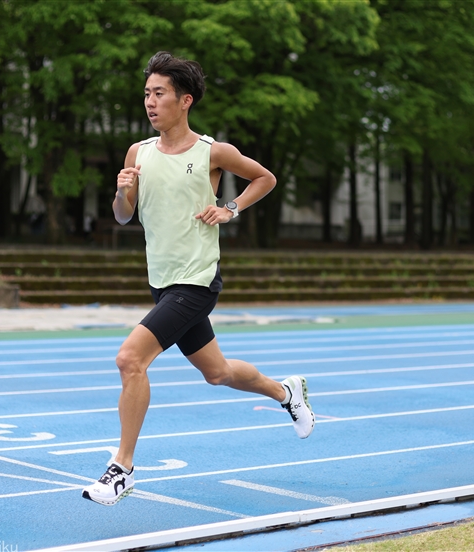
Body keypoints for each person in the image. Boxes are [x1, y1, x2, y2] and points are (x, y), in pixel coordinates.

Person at [82, 52, 315, 506]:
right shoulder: (139, 152)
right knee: (218, 373)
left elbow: (264, 178)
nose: (150, 102)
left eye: (160, 94)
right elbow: (123, 217)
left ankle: (122, 469)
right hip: (163, 281)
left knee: (130, 360)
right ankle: (285, 391)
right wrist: (122, 192)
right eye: (147, 94)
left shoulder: (213, 152)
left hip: (197, 281)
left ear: (184, 100)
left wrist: (230, 208)